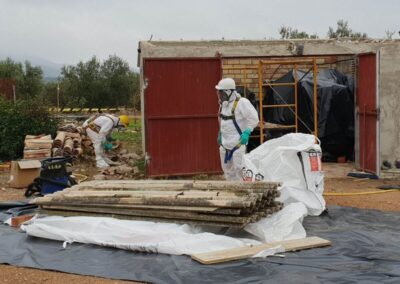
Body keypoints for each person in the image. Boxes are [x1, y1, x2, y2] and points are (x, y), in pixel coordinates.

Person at [216, 78, 259, 180]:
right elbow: (222, 119)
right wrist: (220, 134)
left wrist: (247, 132)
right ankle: (231, 192)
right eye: (219, 93)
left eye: (221, 93)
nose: (220, 96)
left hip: (237, 144)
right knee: (227, 172)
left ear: (229, 92)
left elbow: (254, 118)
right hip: (225, 144)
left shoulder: (242, 103)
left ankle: (241, 193)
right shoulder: (223, 104)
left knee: (240, 170)